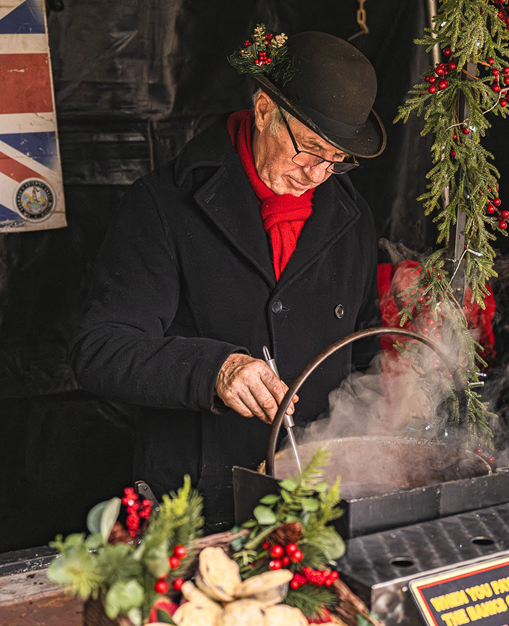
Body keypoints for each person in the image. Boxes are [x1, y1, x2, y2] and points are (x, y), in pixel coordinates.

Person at [71, 31, 386, 527]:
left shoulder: (352, 216)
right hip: (199, 502)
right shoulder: (162, 205)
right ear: (264, 109)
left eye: (337, 159)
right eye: (308, 149)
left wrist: (402, 393)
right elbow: (99, 350)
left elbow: (365, 342)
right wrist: (214, 369)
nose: (317, 174)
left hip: (319, 498)